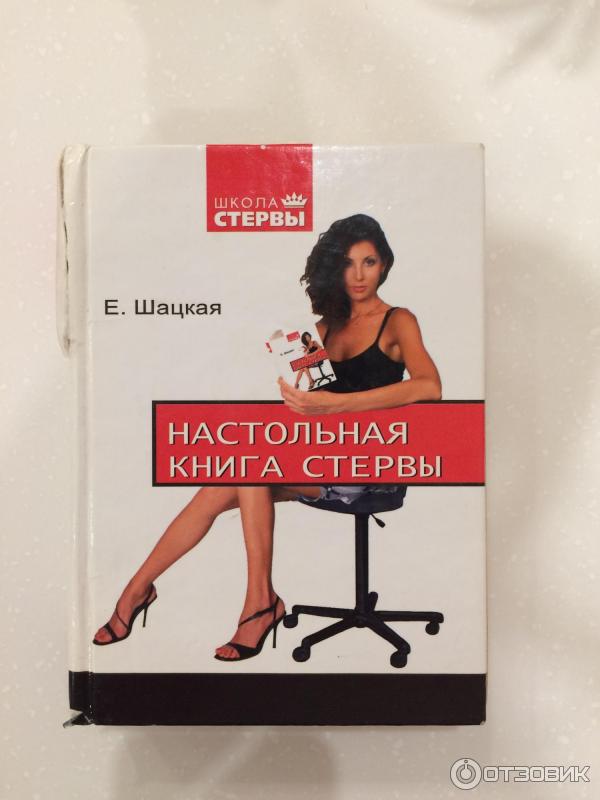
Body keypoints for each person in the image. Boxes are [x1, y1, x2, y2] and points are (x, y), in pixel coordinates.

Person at [93, 213, 441, 662]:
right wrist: (299, 394)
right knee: (225, 480)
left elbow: (429, 387)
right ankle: (142, 590)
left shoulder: (398, 320)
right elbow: (314, 416)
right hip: (324, 463)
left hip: (374, 471)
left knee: (247, 468)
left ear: (384, 265)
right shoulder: (322, 330)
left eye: (369, 262)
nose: (358, 275)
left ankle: (255, 604)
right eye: (347, 263)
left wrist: (335, 406)